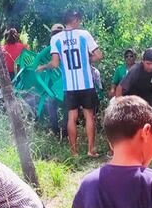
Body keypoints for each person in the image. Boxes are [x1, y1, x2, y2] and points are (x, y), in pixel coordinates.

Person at [37, 10, 104, 157]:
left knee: (72, 117)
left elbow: (55, 64)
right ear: (76, 20)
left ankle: (74, 153)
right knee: (88, 117)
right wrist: (87, 60)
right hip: (86, 85)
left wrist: (43, 66)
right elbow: (99, 55)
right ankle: (90, 150)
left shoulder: (56, 39)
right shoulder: (84, 35)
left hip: (70, 87)